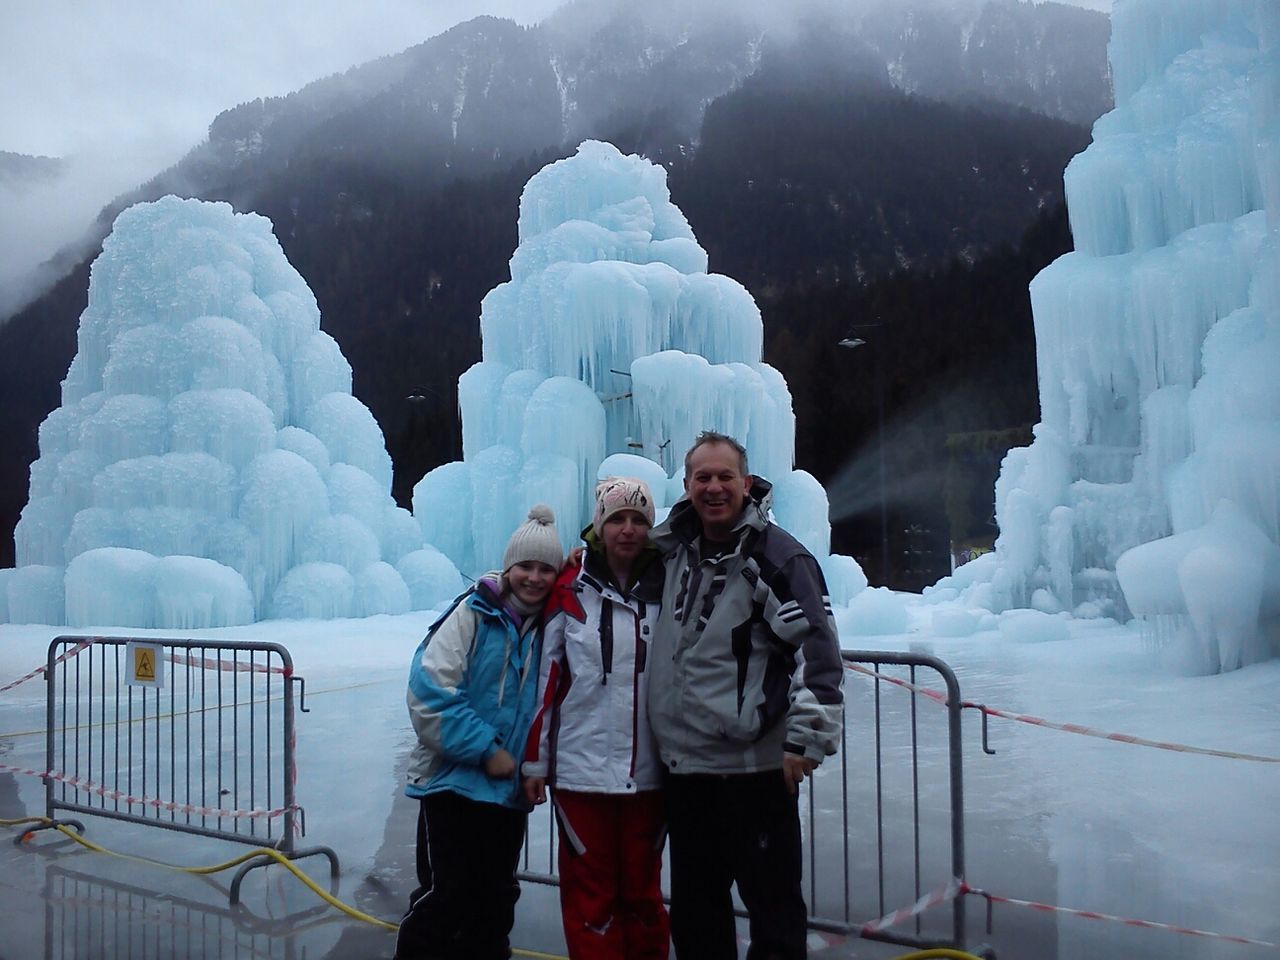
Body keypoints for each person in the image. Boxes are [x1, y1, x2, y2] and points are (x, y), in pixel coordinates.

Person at [647, 431, 844, 960]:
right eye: (702, 478)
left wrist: (804, 742)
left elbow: (820, 655)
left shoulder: (778, 557)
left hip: (752, 774)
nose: (713, 488)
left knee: (774, 915)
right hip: (687, 773)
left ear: (747, 482)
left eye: (724, 476)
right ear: (686, 486)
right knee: (696, 915)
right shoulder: (673, 551)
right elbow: (613, 571)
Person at [396, 504, 563, 960]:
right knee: (446, 897)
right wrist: (485, 749)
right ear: (508, 569)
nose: (534, 577)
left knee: (495, 899)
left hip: (507, 794)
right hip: (451, 784)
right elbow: (429, 690)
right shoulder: (472, 613)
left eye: (545, 568)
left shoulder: (554, 628)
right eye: (525, 566)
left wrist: (532, 766)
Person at [522, 477, 670, 960]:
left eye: (638, 519)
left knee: (644, 896)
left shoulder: (669, 585)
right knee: (592, 899)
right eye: (617, 519)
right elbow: (547, 678)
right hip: (580, 775)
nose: (627, 530)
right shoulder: (570, 588)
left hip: (649, 774)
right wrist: (534, 762)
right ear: (599, 526)